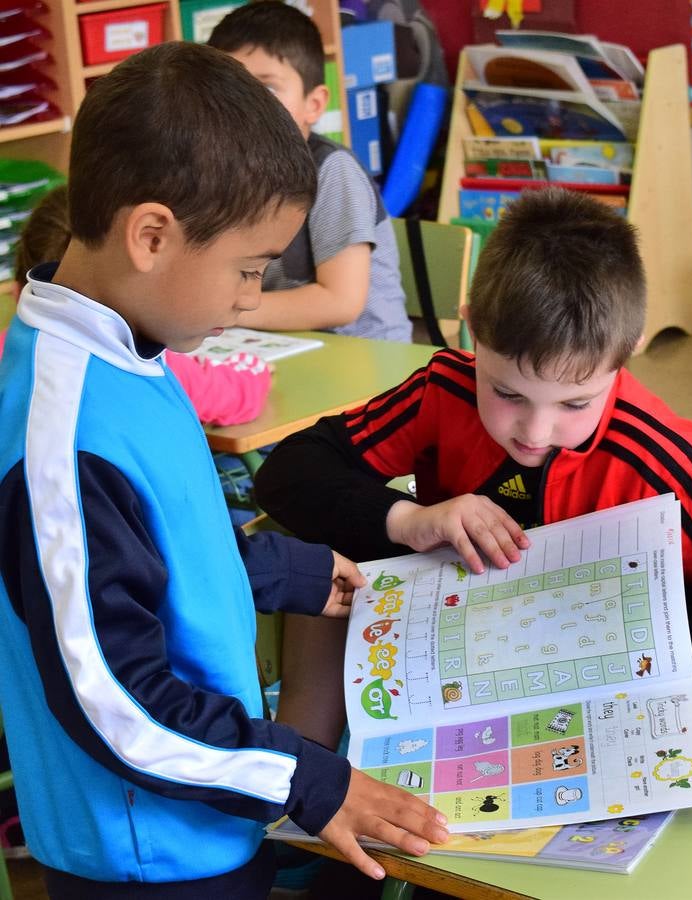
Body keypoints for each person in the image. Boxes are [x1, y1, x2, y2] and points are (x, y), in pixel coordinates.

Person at [0, 42, 448, 899]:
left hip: (202, 811)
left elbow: (159, 547)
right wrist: (311, 781)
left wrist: (292, 570)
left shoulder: (127, 339)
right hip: (147, 858)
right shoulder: (62, 433)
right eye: (247, 269)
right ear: (152, 236)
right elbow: (117, 708)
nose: (250, 298)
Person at [256, 187, 692, 677]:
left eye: (575, 403)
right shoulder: (443, 391)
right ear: (474, 330)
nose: (535, 432)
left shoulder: (657, 454)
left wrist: (609, 643)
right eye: (508, 394)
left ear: (627, 352)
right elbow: (289, 472)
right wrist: (408, 519)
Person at [208, 1, 412, 343]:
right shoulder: (223, 171)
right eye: (231, 89)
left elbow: (340, 302)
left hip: (370, 361)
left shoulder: (332, 171)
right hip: (284, 346)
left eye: (268, 87)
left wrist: (225, 310)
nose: (248, 105)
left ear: (314, 105)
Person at [2, 184, 272, 428]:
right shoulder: (144, 363)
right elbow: (234, 393)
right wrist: (254, 366)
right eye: (249, 272)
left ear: (17, 292)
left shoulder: (12, 350)